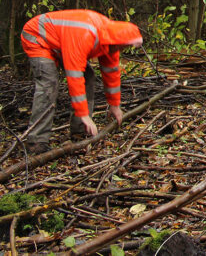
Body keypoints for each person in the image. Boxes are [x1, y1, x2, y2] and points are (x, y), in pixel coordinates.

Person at [21, 9, 144, 153]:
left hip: (60, 42)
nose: (124, 49)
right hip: (38, 36)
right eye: (125, 46)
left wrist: (114, 105)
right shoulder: (85, 34)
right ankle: (37, 141)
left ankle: (80, 130)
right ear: (118, 40)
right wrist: (84, 114)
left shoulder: (110, 43)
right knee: (49, 83)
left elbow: (111, 75)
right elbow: (74, 75)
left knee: (88, 76)